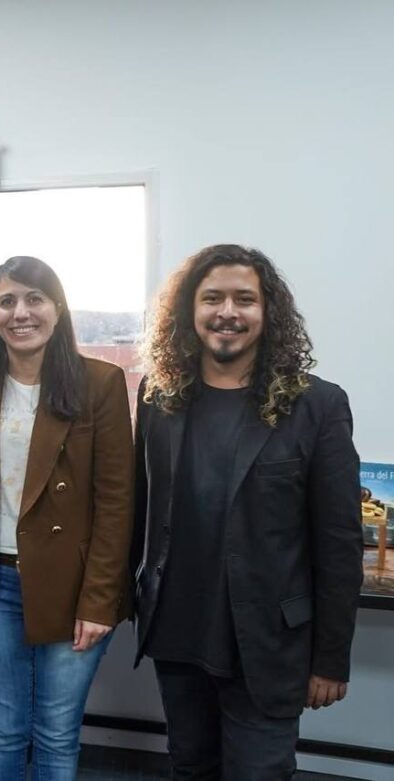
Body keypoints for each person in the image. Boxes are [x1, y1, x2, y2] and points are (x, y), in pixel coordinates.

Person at [132, 244, 363, 779]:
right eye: (212, 297)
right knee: (189, 767)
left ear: (268, 312)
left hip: (267, 642)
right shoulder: (158, 397)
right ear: (190, 310)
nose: (227, 312)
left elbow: (339, 542)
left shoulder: (318, 406)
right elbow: (144, 507)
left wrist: (331, 658)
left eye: (244, 299)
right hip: (177, 632)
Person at [0, 256, 134, 779]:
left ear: (57, 308)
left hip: (73, 584)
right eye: (6, 301)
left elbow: (116, 502)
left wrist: (100, 601)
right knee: (2, 730)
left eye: (34, 299)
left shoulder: (99, 382)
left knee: (56, 734)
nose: (21, 313)